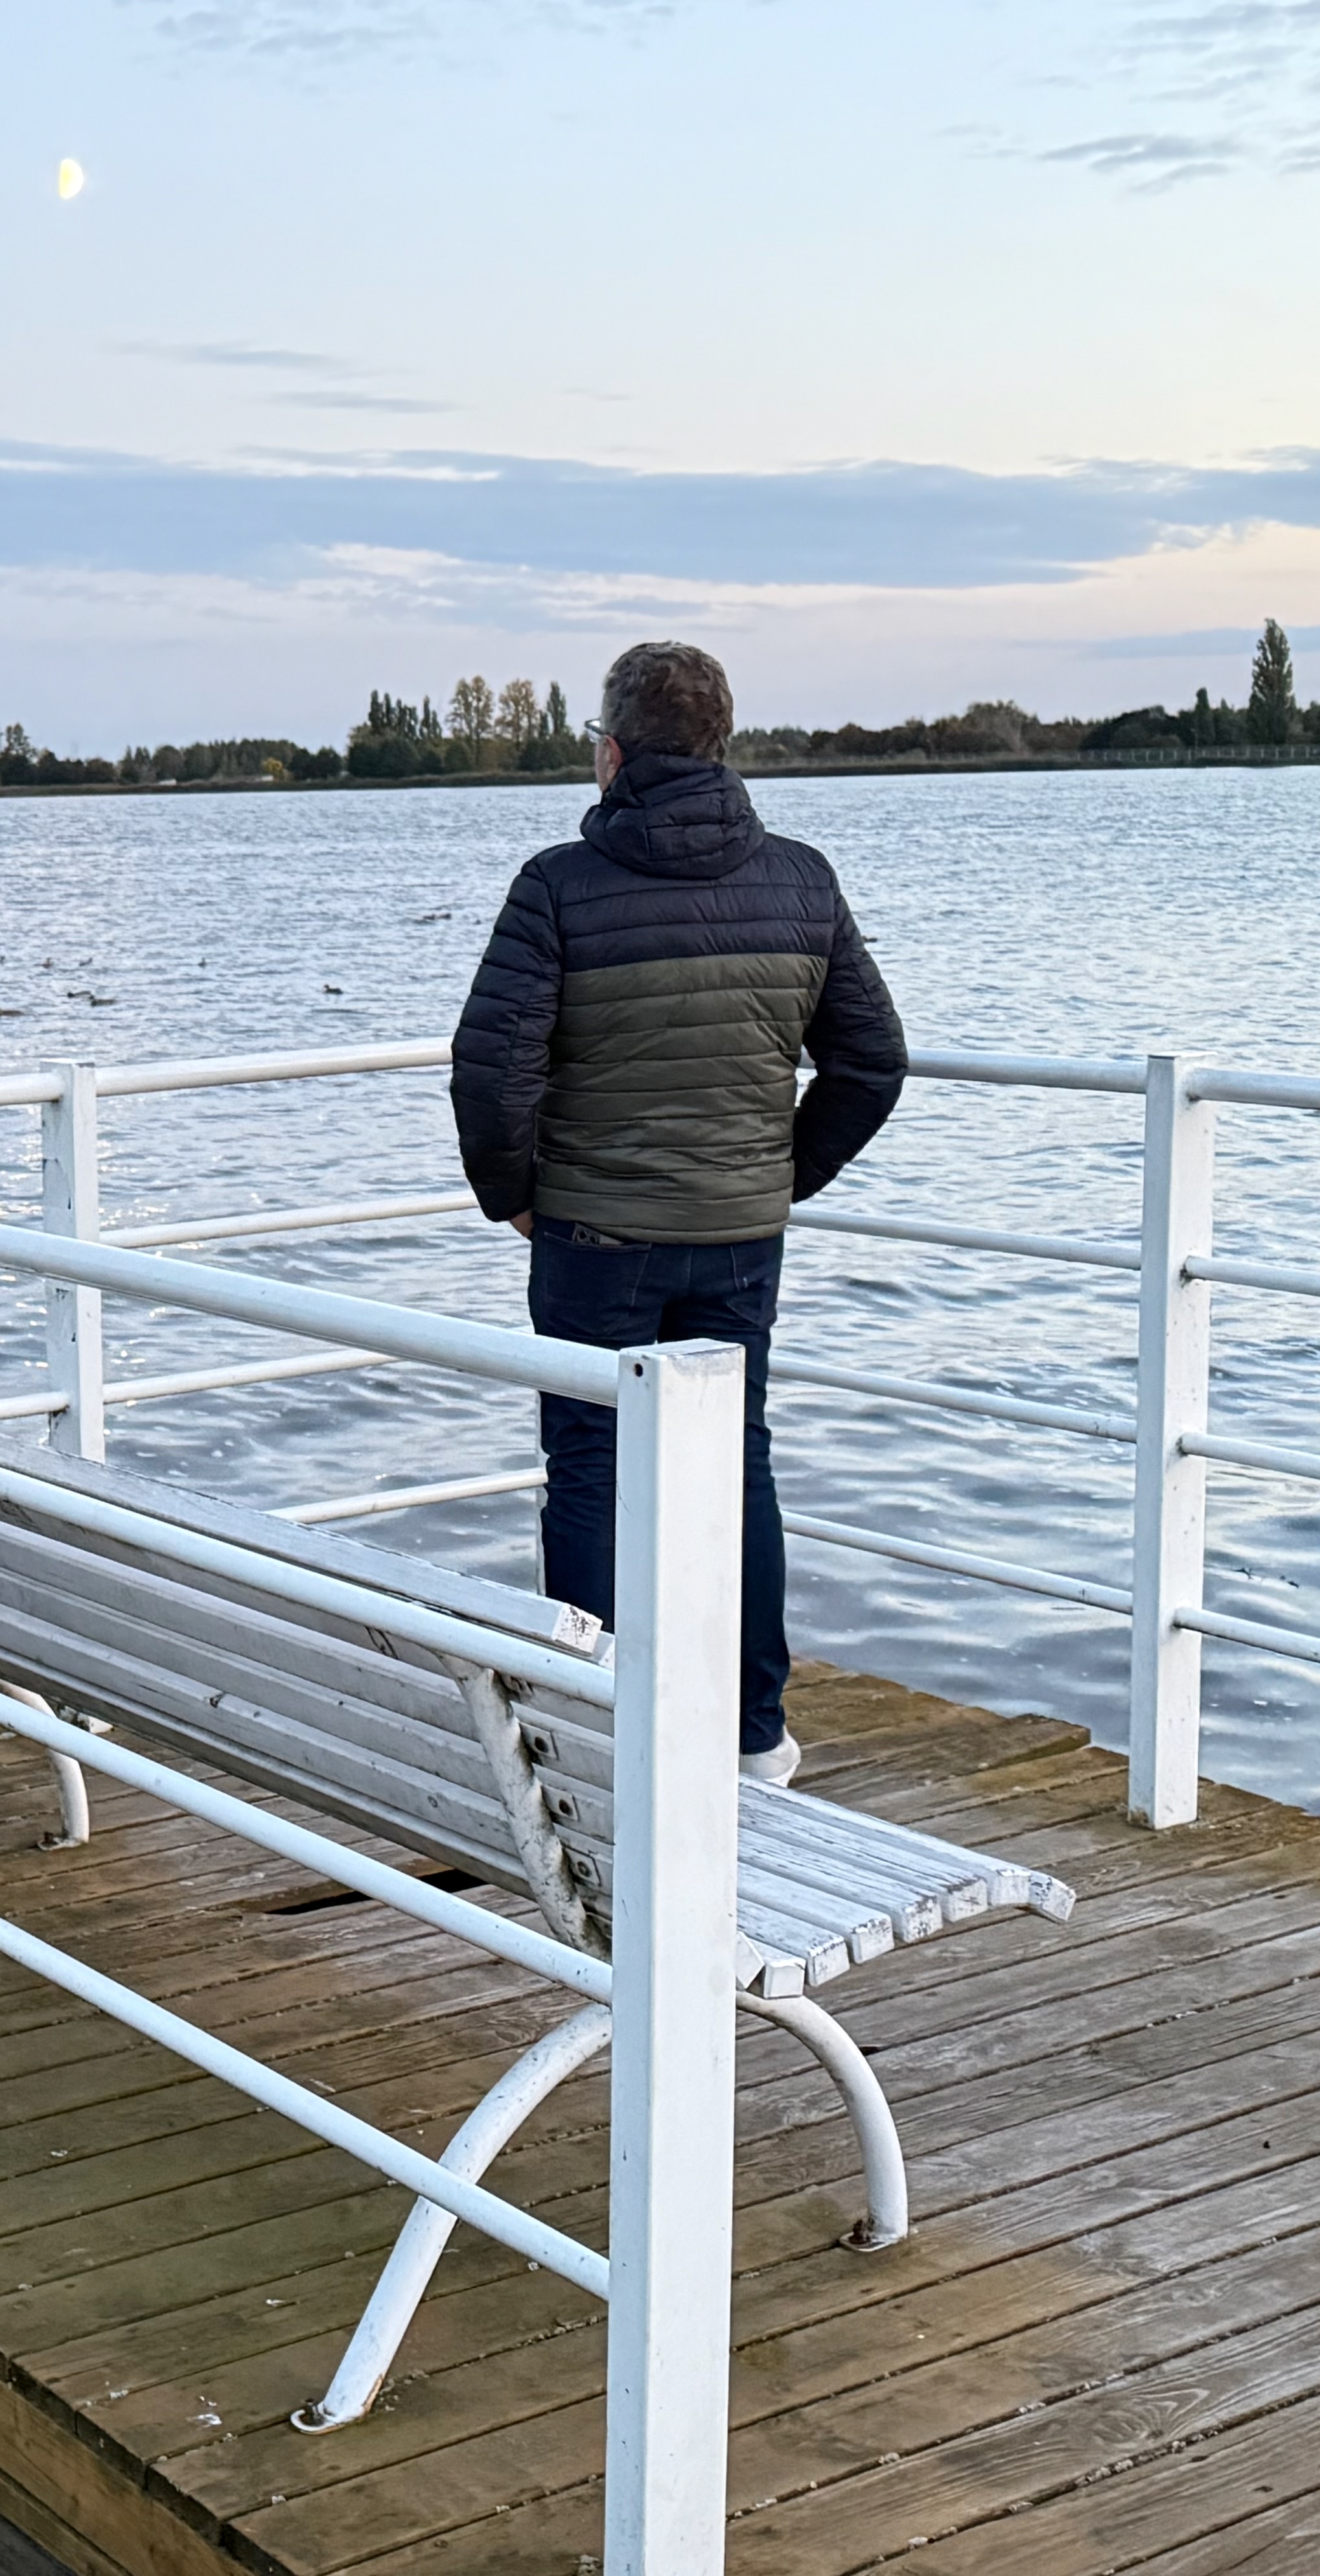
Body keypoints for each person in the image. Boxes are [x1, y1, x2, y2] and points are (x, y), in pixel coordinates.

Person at [447, 641, 906, 1784]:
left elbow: (491, 1072)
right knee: (736, 1463)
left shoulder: (559, 886)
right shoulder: (801, 881)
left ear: (611, 754)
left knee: (591, 1467)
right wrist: (778, 1176)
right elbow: (872, 1063)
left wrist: (515, 1199)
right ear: (720, 746)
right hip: (739, 1238)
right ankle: (753, 1736)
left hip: (592, 1239)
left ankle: (600, 1736)